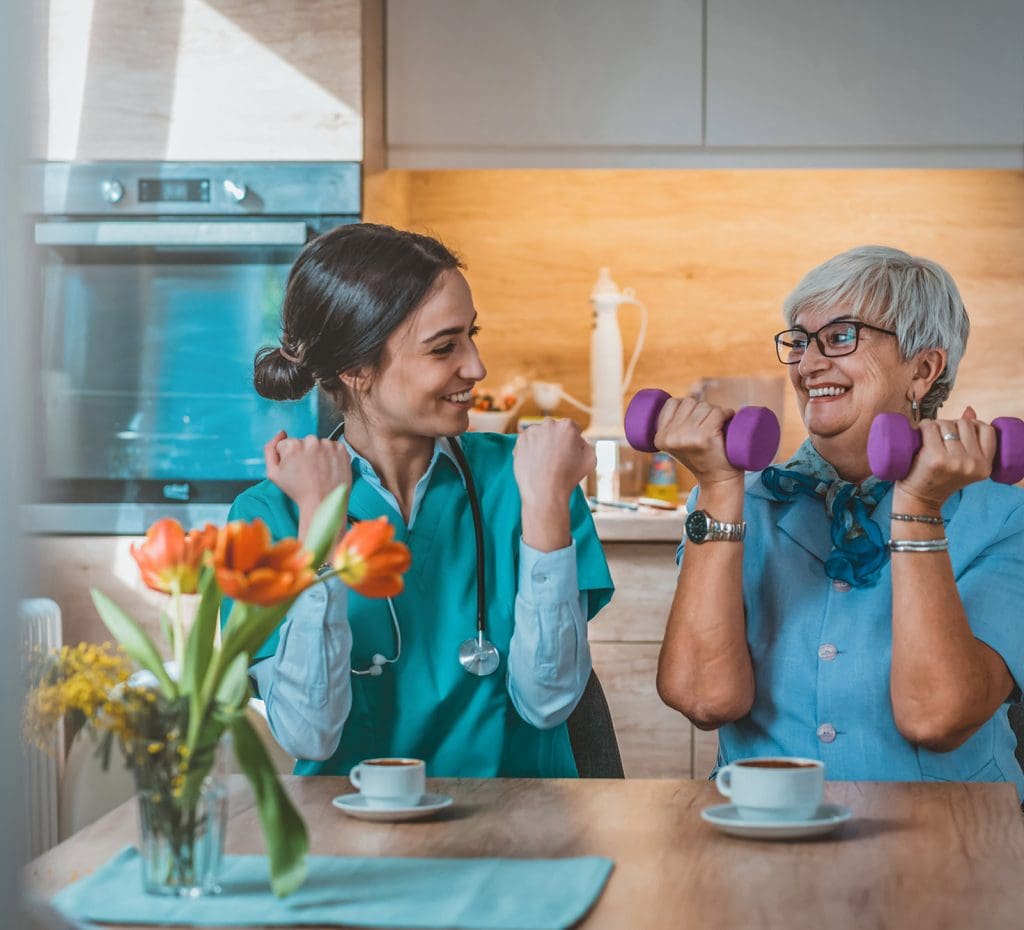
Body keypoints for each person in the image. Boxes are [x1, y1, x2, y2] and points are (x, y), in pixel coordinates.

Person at [228, 223, 613, 778]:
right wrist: (320, 526)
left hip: (524, 835)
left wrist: (549, 504)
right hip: (355, 835)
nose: (476, 367)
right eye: (444, 347)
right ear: (356, 369)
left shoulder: (530, 475)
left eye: (471, 336)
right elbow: (309, 733)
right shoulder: (267, 517)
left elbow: (549, 701)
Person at [656, 245, 1024, 797]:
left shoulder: (1004, 516)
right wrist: (717, 489)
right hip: (768, 826)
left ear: (923, 369)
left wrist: (919, 508)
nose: (807, 365)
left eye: (841, 336)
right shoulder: (739, 500)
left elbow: (939, 718)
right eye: (800, 342)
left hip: (947, 840)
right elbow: (703, 700)